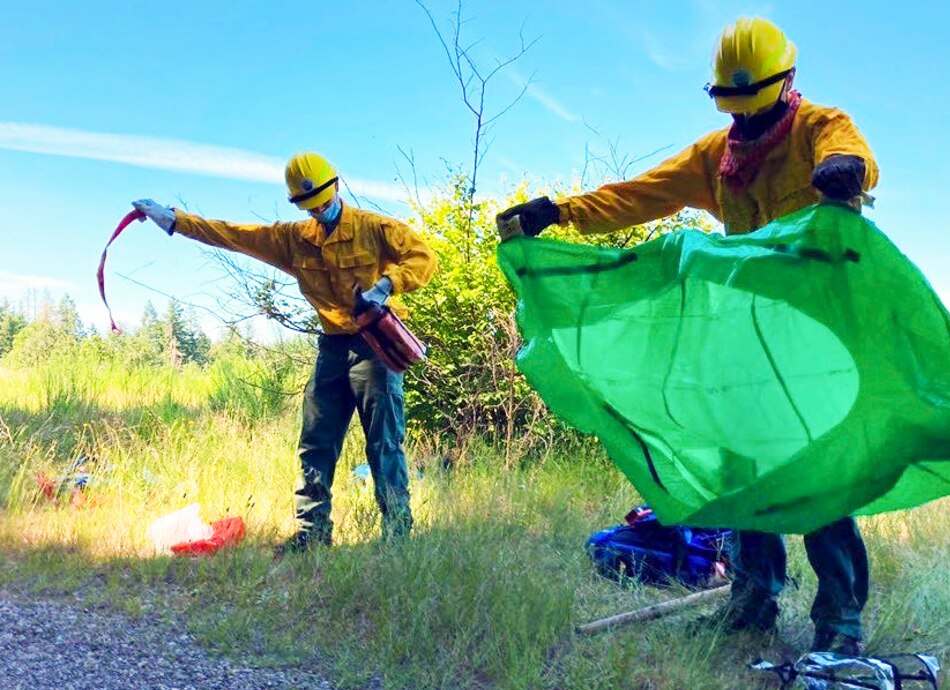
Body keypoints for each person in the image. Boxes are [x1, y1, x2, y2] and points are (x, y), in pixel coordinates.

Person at [496, 17, 876, 655]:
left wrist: (843, 172)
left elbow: (857, 159)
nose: (746, 127)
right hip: (746, 342)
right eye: (736, 113)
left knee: (817, 480)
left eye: (755, 112)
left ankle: (838, 626)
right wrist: (557, 213)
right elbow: (639, 195)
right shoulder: (716, 159)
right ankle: (752, 605)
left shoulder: (820, 127)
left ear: (788, 84)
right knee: (746, 477)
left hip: (816, 340)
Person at [134, 152, 437, 551]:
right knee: (316, 440)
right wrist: (173, 220)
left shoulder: (375, 228)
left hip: (374, 347)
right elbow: (234, 234)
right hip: (331, 347)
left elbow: (424, 257)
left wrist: (387, 285)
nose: (321, 212)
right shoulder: (295, 240)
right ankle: (313, 535)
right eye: (312, 208)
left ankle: (398, 536)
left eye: (325, 203)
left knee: (384, 441)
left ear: (337, 186)